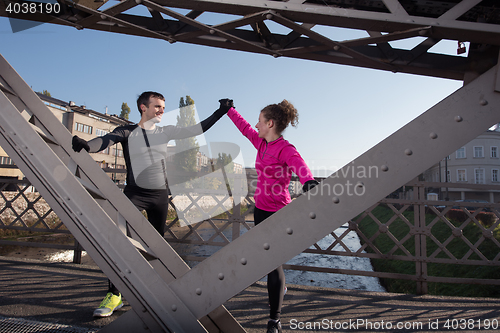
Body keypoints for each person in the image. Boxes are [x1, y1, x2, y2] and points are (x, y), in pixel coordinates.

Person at [72, 91, 232, 317]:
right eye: (157, 106)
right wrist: (87, 145)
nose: (161, 111)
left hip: (159, 197)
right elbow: (106, 140)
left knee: (156, 247)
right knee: (120, 242)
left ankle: (153, 292)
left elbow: (196, 129)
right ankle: (114, 295)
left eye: (163, 107)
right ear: (142, 107)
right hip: (134, 195)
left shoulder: (166, 132)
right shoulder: (127, 131)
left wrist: (220, 112)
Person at [226, 100, 318, 333]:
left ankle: (274, 319)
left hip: (279, 213)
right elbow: (245, 128)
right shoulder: (261, 142)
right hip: (260, 210)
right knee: (265, 261)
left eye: (260, 121)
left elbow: (299, 165)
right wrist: (229, 110)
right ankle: (279, 290)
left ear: (270, 123)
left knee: (272, 264)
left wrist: (307, 181)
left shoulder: (285, 148)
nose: (256, 125)